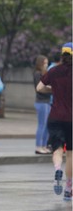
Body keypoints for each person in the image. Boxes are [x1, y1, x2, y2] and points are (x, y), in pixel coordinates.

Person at [37, 42, 72, 201]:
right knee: (71, 154)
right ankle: (68, 188)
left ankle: (57, 168)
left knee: (57, 149)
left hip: (55, 116)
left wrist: (53, 89)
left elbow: (39, 88)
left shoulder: (54, 71)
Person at [33, 55, 52, 154]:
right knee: (42, 124)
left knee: (47, 125)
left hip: (47, 102)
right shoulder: (37, 74)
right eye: (45, 63)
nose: (46, 65)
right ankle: (38, 146)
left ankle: (44, 145)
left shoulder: (45, 74)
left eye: (47, 63)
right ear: (40, 63)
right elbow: (40, 89)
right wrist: (51, 89)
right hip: (41, 102)